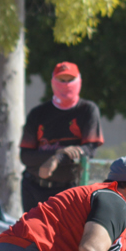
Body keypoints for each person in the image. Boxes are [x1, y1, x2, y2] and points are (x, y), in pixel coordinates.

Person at [19, 62, 103, 212]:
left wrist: (58, 159)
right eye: (61, 80)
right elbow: (25, 156)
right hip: (34, 188)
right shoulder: (38, 113)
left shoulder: (87, 110)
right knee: (34, 235)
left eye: (70, 80)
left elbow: (89, 150)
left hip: (68, 190)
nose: (66, 85)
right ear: (53, 82)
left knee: (66, 235)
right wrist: (58, 154)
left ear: (79, 81)